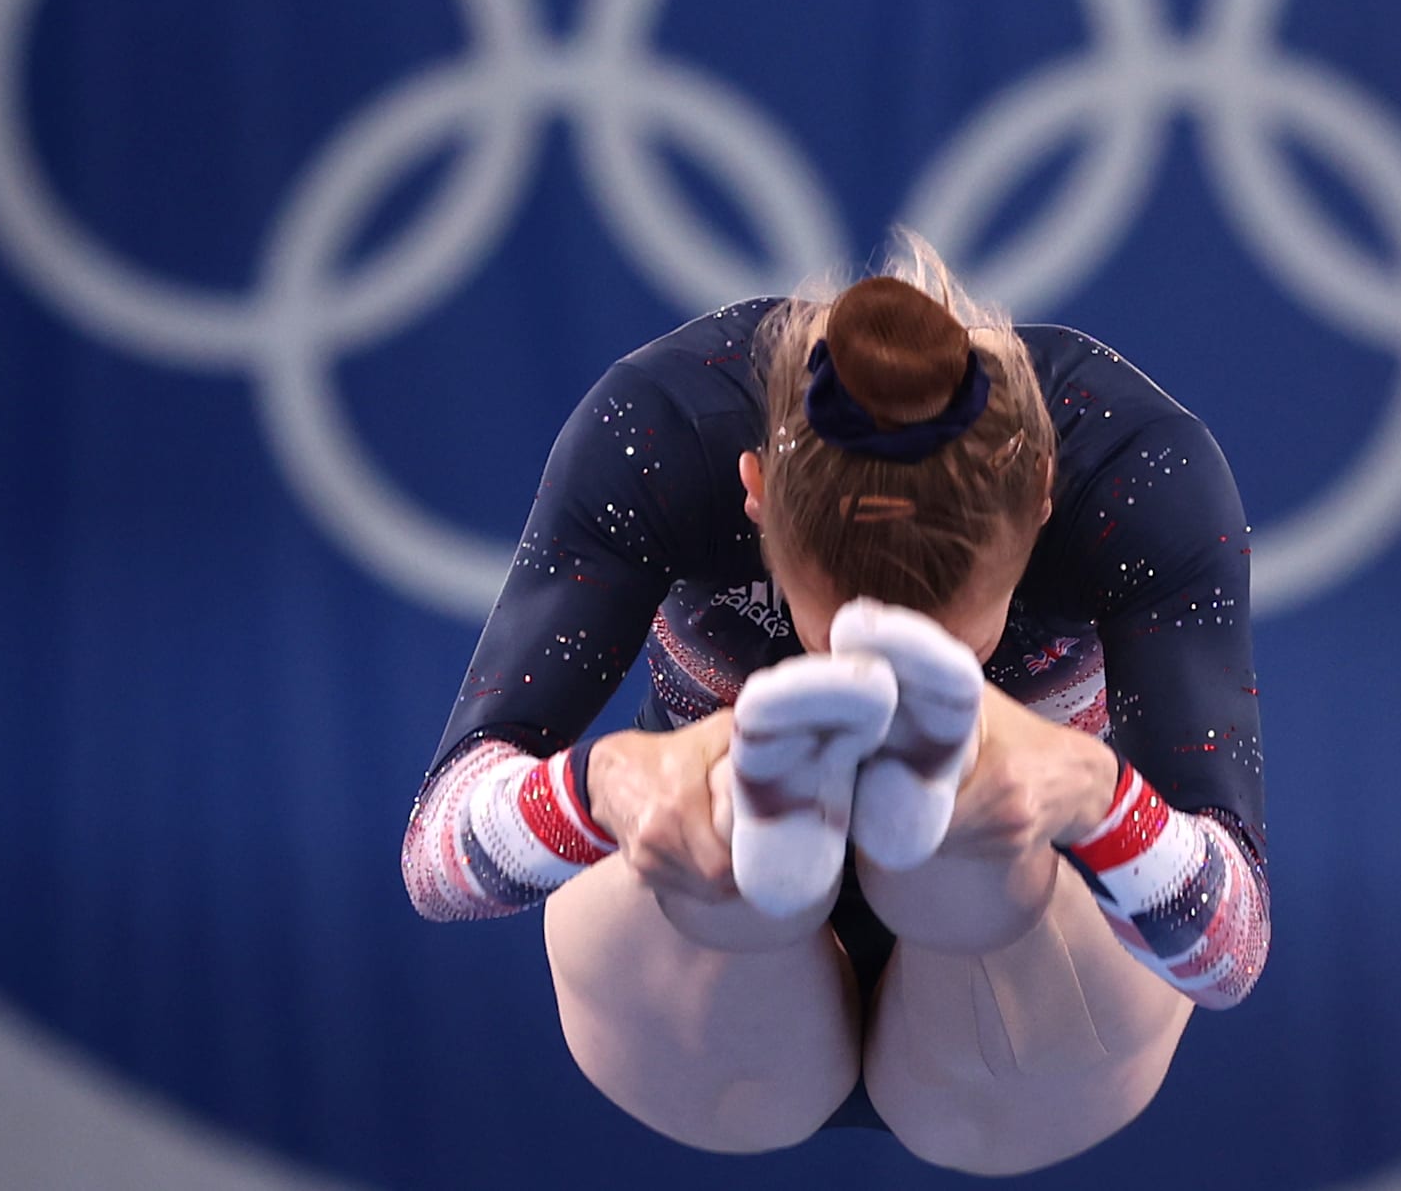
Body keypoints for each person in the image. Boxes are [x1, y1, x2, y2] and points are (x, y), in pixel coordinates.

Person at [401, 232, 1267, 1174]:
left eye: (948, 647)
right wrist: (604, 786)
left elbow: (1230, 946)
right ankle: (757, 826)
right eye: (837, 634)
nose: (873, 671)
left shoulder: (1132, 470)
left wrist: (1090, 792)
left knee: (987, 865)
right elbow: (436, 856)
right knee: (711, 855)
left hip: (1014, 985)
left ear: (1043, 496)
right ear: (756, 492)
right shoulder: (665, 431)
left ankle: (938, 819)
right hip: (709, 984)